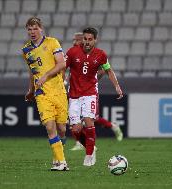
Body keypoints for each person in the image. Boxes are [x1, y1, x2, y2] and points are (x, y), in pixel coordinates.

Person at [65, 27, 124, 166]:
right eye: (85, 39)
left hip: (90, 93)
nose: (87, 42)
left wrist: (117, 86)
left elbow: (108, 70)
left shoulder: (101, 54)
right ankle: (91, 147)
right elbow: (63, 68)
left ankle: (89, 155)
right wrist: (62, 82)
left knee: (89, 121)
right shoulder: (72, 52)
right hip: (73, 94)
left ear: (95, 40)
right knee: (75, 129)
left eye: (90, 39)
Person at [21, 17, 69, 171]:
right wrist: (31, 90)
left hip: (58, 91)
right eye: (29, 29)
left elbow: (62, 63)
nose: (32, 32)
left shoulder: (52, 42)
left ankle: (58, 157)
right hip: (41, 93)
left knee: (62, 129)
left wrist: (46, 76)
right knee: (49, 127)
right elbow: (31, 71)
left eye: (35, 28)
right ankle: (62, 162)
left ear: (41, 28)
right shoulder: (26, 50)